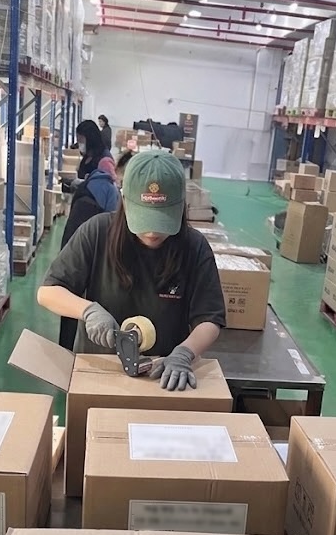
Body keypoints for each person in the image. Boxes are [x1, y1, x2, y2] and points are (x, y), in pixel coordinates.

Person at [38, 149, 226, 390]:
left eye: (162, 220)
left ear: (181, 207)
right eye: (145, 219)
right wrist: (88, 311)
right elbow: (48, 292)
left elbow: (209, 318)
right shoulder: (97, 233)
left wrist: (184, 353)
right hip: (98, 373)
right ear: (125, 201)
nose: (152, 232)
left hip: (163, 378)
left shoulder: (194, 247)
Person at [57, 154, 121, 350]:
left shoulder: (88, 183)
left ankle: (65, 348)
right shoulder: (110, 192)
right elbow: (114, 222)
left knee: (70, 297)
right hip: (93, 246)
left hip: (71, 239)